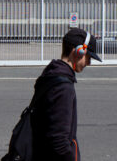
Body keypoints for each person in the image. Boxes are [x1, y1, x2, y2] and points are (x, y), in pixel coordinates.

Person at [31, 27, 101, 160]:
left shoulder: (51, 74)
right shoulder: (63, 87)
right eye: (88, 57)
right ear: (79, 52)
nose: (89, 63)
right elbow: (59, 141)